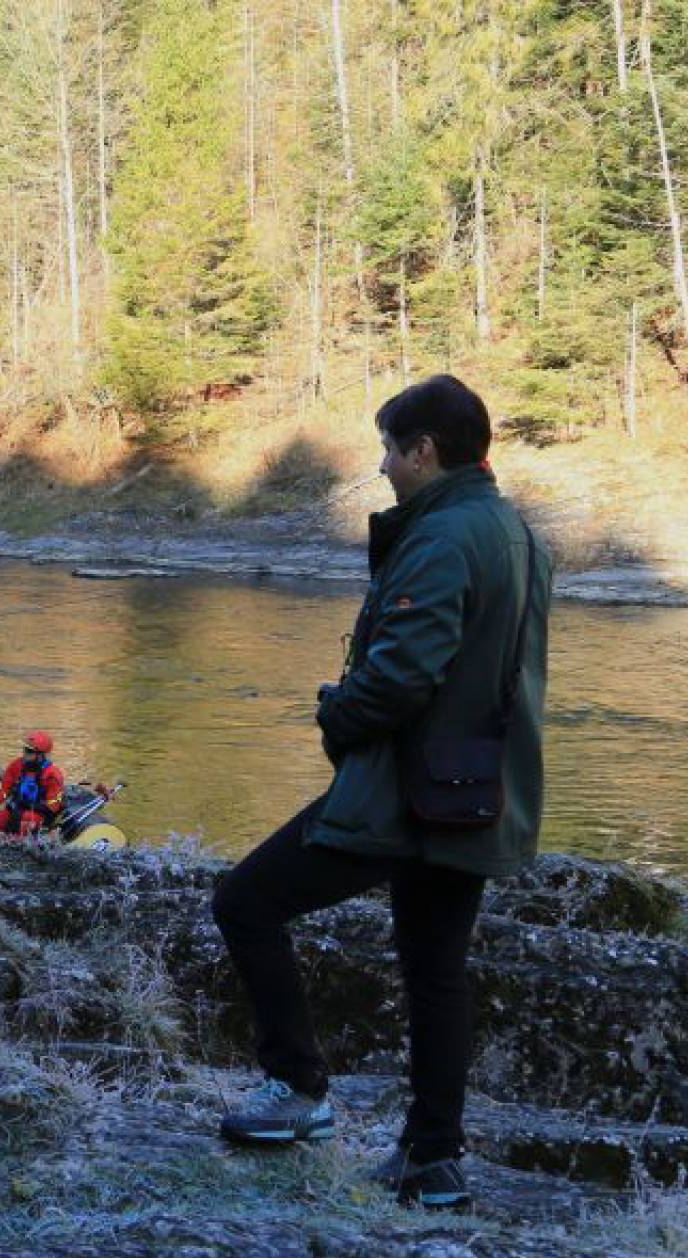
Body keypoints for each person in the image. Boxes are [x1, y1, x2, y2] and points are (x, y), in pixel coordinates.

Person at [210, 375, 550, 1209]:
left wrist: (336, 716)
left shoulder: (440, 538)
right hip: (477, 790)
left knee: (246, 904)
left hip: (403, 793)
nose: (385, 467)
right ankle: (433, 1161)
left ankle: (297, 1091)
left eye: (390, 451)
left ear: (423, 450)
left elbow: (401, 675)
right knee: (436, 970)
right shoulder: (513, 530)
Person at [0, 731, 66, 839]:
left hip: (39, 815)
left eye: (29, 751)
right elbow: (3, 793)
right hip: (15, 811)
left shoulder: (53, 775)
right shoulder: (17, 766)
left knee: (24, 821)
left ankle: (15, 841)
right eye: (24, 749)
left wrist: (26, 808)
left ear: (41, 756)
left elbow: (53, 807)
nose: (25, 754)